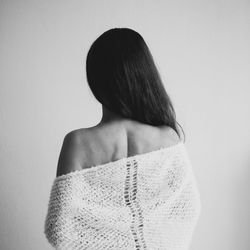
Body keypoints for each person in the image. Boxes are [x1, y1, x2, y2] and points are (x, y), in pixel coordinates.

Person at [44, 27, 201, 250]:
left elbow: (58, 229)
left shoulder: (78, 142)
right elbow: (188, 208)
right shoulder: (167, 137)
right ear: (145, 73)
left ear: (95, 79)